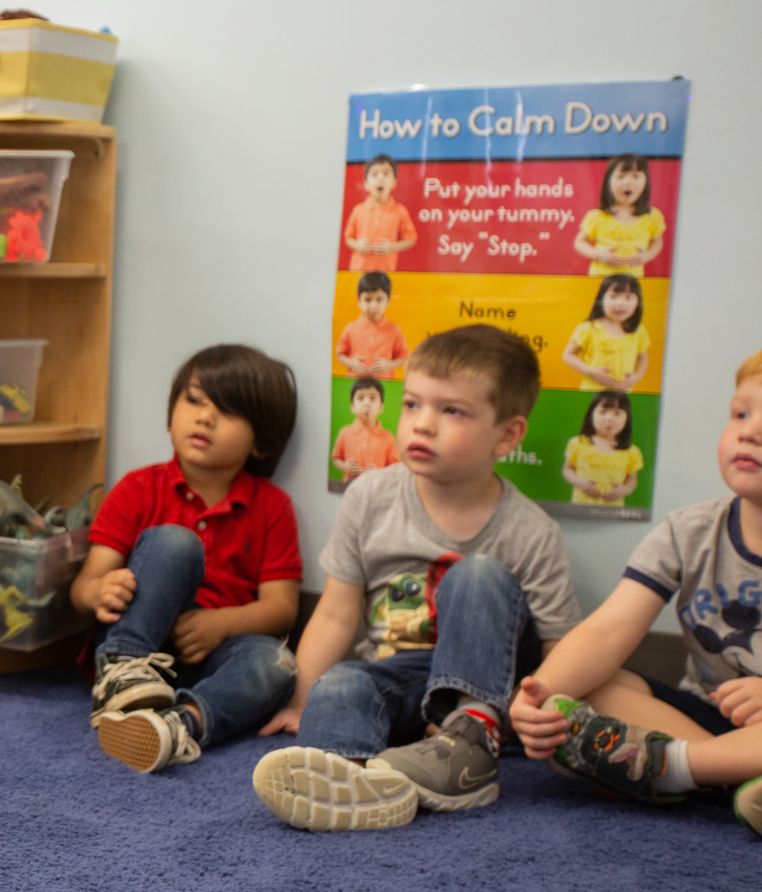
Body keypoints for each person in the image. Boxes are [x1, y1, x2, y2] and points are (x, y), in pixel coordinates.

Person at [251, 326, 582, 831]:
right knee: (339, 684)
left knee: (478, 574)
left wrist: (537, 714)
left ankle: (468, 742)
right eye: (411, 405)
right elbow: (338, 612)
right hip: (396, 678)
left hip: (485, 693)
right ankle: (354, 781)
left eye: (451, 411)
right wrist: (302, 697)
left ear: (508, 435)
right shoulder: (369, 498)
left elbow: (562, 649)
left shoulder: (531, 531)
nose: (421, 425)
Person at [508, 351, 762, 834]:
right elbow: (607, 632)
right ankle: (725, 774)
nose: (748, 431)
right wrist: (539, 697)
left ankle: (675, 771)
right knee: (594, 684)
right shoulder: (688, 532)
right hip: (705, 718)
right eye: (741, 414)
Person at [70, 345, 302, 775]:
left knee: (278, 665)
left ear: (262, 444)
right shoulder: (138, 488)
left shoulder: (272, 507)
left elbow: (283, 608)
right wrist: (98, 591)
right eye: (193, 400)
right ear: (170, 414)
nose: (204, 417)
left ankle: (178, 726)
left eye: (228, 411)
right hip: (140, 638)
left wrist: (221, 626)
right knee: (176, 543)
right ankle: (122, 677)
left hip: (213, 654)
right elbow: (85, 585)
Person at [574, 153, 666, 278]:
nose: (628, 182)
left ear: (646, 181)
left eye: (636, 176)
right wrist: (598, 254)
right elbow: (580, 242)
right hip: (599, 278)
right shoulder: (597, 216)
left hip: (633, 280)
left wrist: (647, 255)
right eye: (621, 176)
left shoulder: (652, 215)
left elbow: (657, 241)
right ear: (608, 182)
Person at [563, 274, 651, 393]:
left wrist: (637, 377)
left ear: (638, 302)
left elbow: (642, 358)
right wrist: (590, 371)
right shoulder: (589, 328)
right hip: (592, 392)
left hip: (623, 394)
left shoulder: (638, 331)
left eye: (628, 297)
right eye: (613, 296)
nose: (620, 303)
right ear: (601, 299)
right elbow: (568, 355)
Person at [562, 391, 644, 508]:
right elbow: (567, 469)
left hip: (613, 510)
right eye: (603, 412)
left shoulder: (631, 451)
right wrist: (579, 482)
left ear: (627, 418)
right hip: (581, 507)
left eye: (617, 413)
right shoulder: (578, 443)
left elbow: (632, 479)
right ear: (591, 414)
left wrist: (625, 490)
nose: (609, 418)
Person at [342, 153, 417, 273]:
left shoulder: (399, 210)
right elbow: (348, 237)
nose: (380, 178)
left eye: (386, 173)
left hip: (385, 270)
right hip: (358, 269)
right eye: (374, 174)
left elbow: (411, 238)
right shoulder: (359, 210)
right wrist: (358, 246)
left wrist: (392, 247)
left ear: (394, 182)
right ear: (366, 184)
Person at [336, 271, 408, 380]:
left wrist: (389, 365)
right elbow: (340, 354)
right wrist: (351, 363)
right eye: (367, 299)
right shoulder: (351, 328)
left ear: (388, 301)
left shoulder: (394, 329)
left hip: (384, 384)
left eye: (379, 299)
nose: (373, 306)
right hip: (355, 384)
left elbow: (404, 357)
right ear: (359, 301)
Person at [332, 376, 400, 483]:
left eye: (373, 398)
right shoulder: (345, 432)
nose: (366, 403)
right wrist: (345, 466)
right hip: (349, 488)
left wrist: (380, 472)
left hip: (376, 488)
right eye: (360, 398)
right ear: (352, 406)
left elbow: (396, 468)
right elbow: (336, 458)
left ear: (381, 407)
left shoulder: (388, 437)